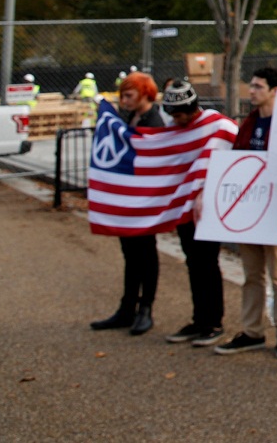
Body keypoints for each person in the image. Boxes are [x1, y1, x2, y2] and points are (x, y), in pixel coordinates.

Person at [215, 66, 277, 359]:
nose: (251, 91)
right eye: (251, 86)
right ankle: (252, 330)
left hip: (276, 208)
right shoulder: (249, 124)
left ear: (275, 91)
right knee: (252, 274)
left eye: (258, 86)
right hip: (250, 211)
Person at [89, 72, 165, 336]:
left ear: (145, 94)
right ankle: (127, 307)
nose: (123, 100)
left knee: (145, 254)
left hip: (143, 203)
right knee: (131, 255)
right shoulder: (125, 118)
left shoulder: (153, 121)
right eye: (122, 96)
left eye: (129, 95)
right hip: (127, 202)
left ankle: (145, 308)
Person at [162, 80, 230, 348]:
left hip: (208, 208)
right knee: (193, 262)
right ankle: (199, 318)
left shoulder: (217, 126)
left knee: (208, 263)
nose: (175, 120)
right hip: (184, 207)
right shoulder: (173, 129)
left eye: (179, 115)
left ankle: (214, 321)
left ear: (192, 109)